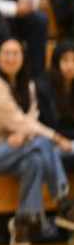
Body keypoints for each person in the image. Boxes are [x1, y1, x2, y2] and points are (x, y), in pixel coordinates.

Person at [0, 38, 74, 245]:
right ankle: (64, 201)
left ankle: (23, 225)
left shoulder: (27, 86)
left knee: (36, 160)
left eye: (16, 53)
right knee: (43, 143)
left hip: (11, 150)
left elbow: (28, 123)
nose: (11, 58)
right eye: (6, 53)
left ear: (23, 58)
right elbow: (19, 121)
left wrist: (23, 134)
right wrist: (57, 138)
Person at [39, 40, 74, 168]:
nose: (70, 66)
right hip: (52, 143)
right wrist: (62, 140)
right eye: (65, 60)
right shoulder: (44, 89)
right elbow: (48, 126)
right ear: (56, 62)